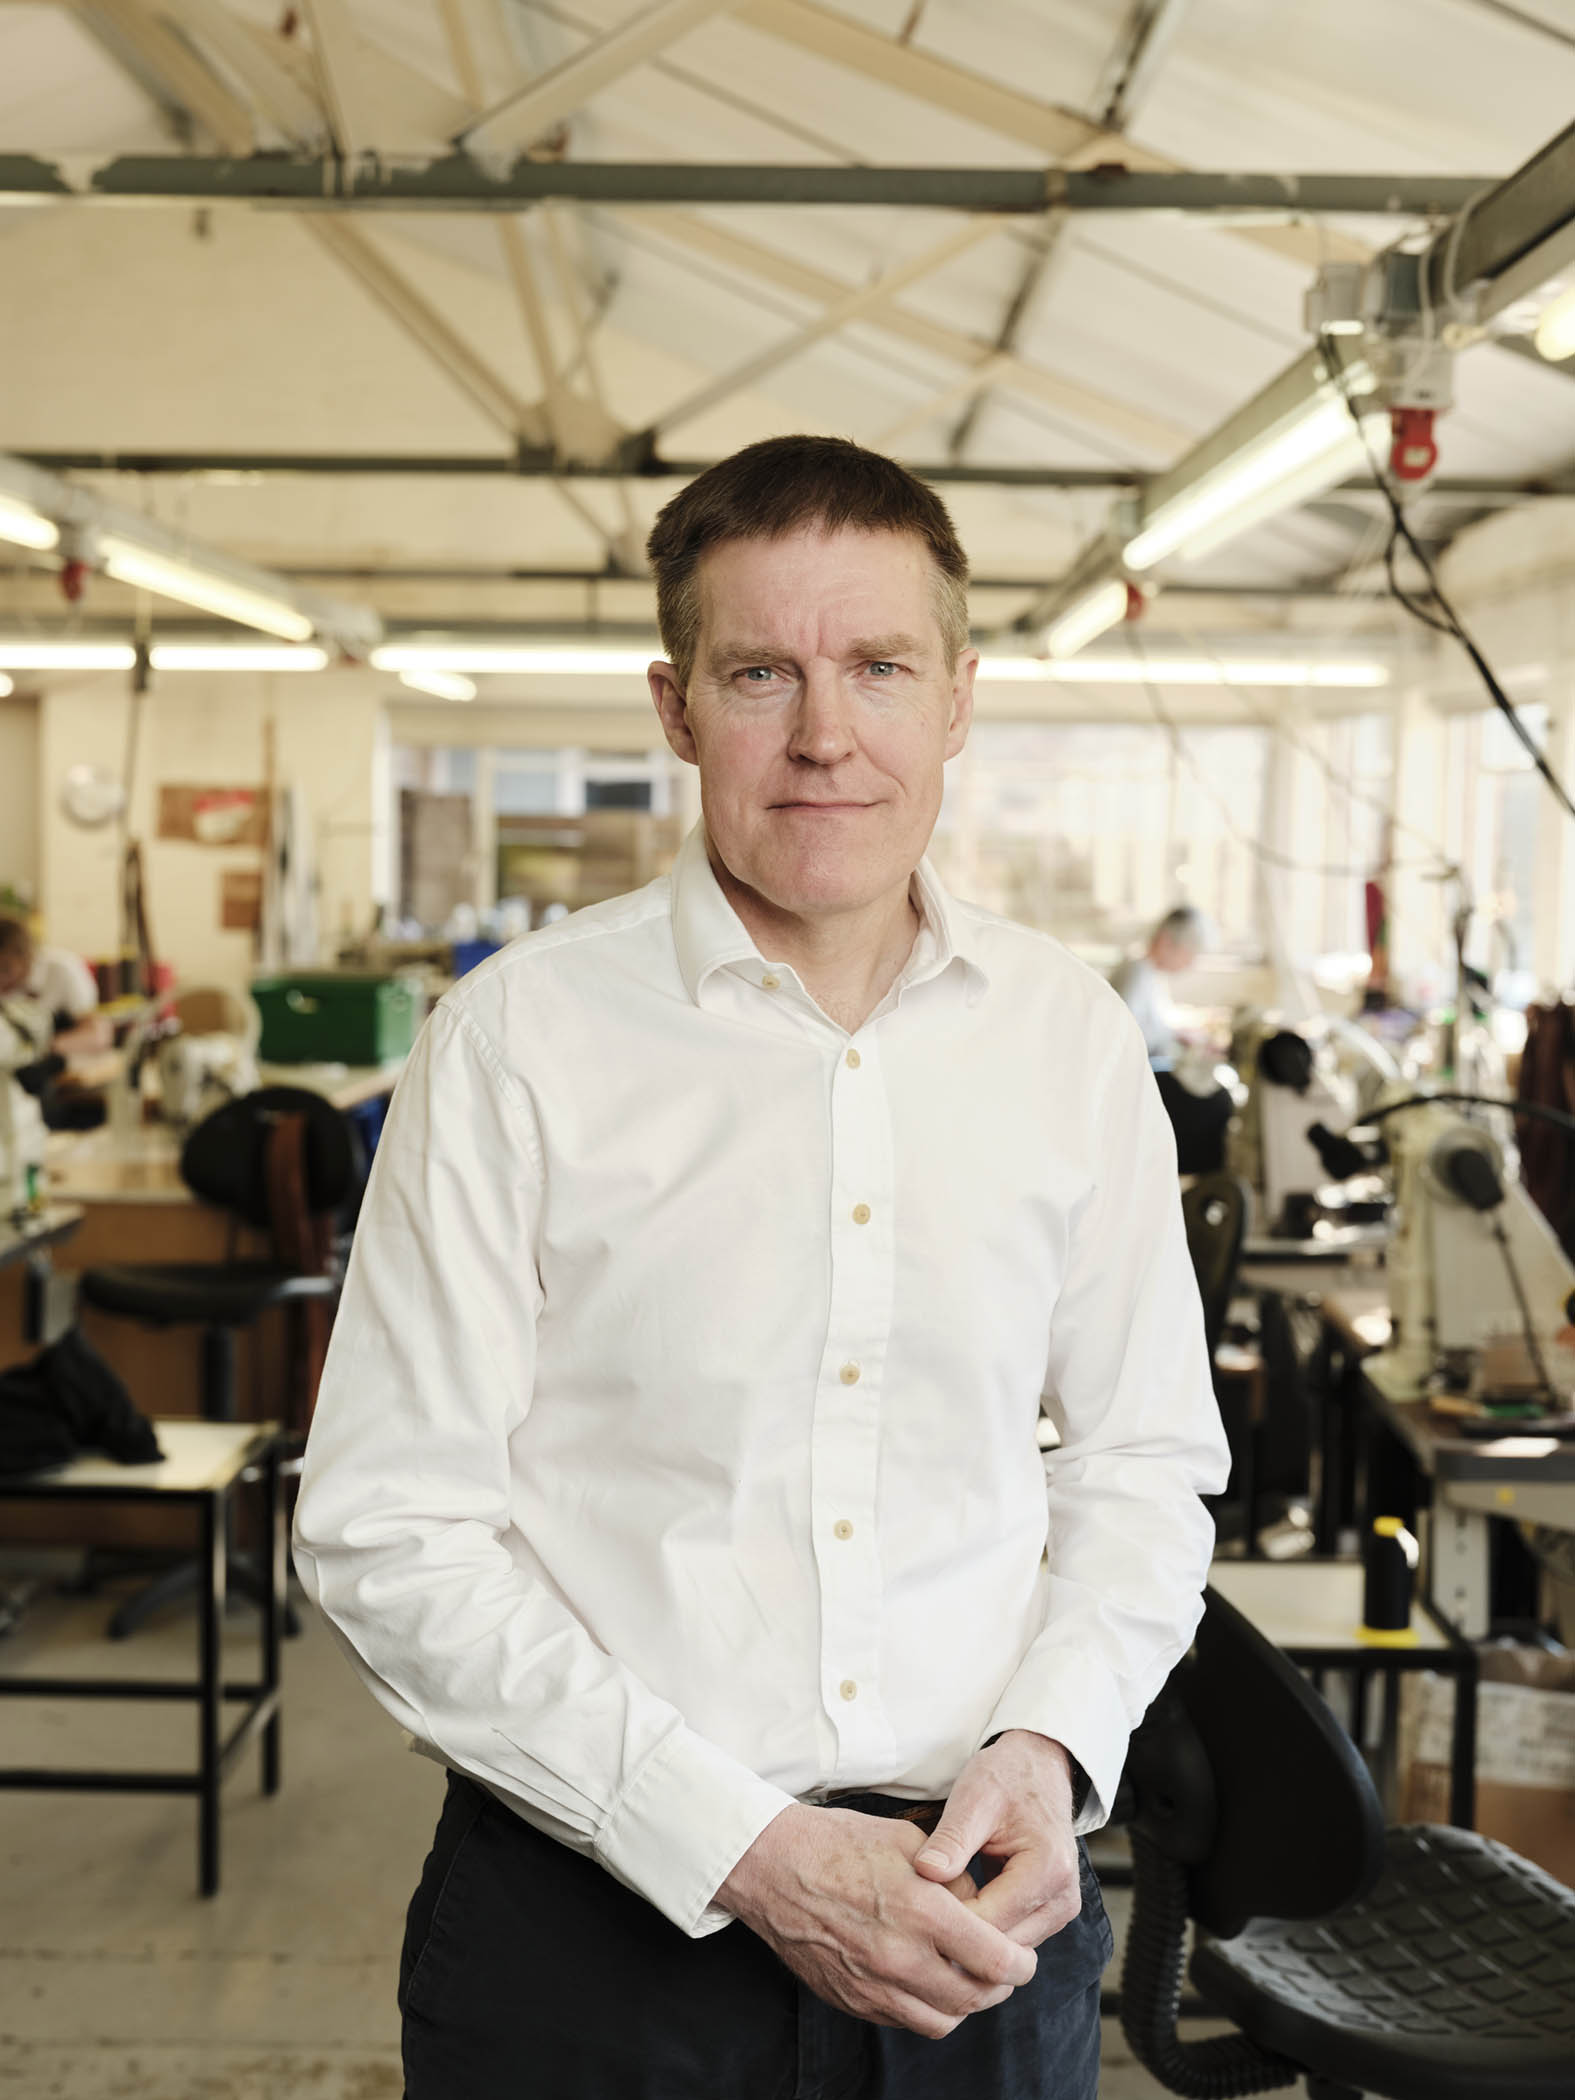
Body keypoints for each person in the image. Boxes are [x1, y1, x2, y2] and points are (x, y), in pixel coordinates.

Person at [294, 436, 1229, 2100]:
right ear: (674, 708)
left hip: (981, 1920)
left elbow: (1146, 1465)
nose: (825, 737)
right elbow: (390, 1527)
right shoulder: (522, 1039)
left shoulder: (1070, 1045)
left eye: (878, 667)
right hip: (595, 1944)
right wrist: (744, 1850)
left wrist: (1053, 1742)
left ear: (958, 697)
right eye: (760, 674)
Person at [1113, 907, 1233, 1176]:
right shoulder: (1135, 972)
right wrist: (1176, 1036)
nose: (1189, 963)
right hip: (1136, 1079)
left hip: (1151, 1067)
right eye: (1189, 954)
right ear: (1167, 941)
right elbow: (1126, 1035)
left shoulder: (1150, 975)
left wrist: (1183, 1034)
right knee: (1216, 1101)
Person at [0, 916, 106, 1057]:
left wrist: (36, 1049)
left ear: (26, 956)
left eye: (5, 968)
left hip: (55, 1060)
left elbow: (98, 1035)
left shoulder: (62, 969)